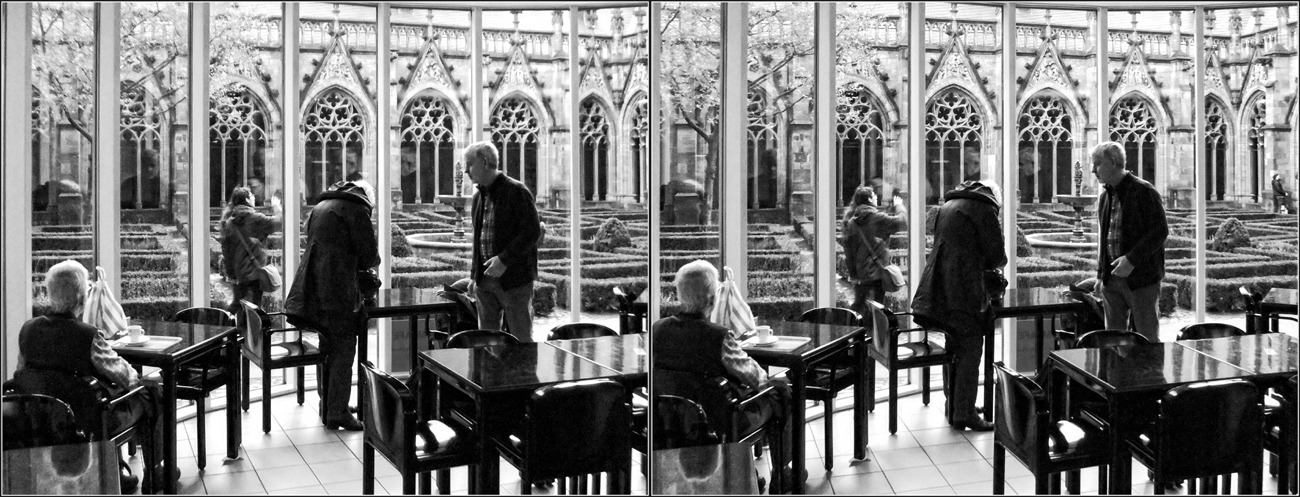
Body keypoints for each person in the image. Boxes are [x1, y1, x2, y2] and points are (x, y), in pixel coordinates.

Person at [13, 260, 176, 492]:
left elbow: (22, 374)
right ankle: (155, 473)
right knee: (150, 391)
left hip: (43, 419)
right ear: (82, 299)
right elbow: (124, 376)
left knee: (99, 394)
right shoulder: (87, 336)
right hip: (90, 421)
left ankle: (117, 471)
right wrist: (145, 382)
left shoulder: (28, 330)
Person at [652, 260, 801, 492]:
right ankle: (783, 473)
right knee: (781, 391)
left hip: (673, 419)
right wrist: (776, 380)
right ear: (712, 299)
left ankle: (747, 472)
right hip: (721, 421)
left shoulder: (658, 330)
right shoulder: (718, 337)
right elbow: (755, 377)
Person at [912, 180, 1007, 432]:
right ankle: (964, 414)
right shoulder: (984, 209)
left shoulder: (951, 203)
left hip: (941, 289)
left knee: (953, 346)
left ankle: (954, 404)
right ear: (995, 197)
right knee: (971, 348)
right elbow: (997, 256)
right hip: (965, 290)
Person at [285, 181, 379, 431]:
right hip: (339, 290)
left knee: (328, 346)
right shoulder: (357, 210)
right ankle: (337, 412)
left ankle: (329, 403)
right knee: (344, 349)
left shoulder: (323, 205)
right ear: (368, 198)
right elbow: (369, 255)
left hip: (316, 289)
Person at [1091, 141, 1168, 342]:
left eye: (1097, 163)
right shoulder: (1104, 197)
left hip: (1141, 280)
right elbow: (1105, 239)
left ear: (1114, 163)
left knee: (1147, 340)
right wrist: (1101, 275)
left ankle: (1149, 375)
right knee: (1113, 342)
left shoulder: (1144, 191)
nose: (1093, 170)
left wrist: (1131, 260)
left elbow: (1160, 231)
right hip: (1112, 281)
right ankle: (1117, 375)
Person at [466, 141, 541, 342]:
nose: (466, 170)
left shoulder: (517, 191)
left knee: (522, 340)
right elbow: (478, 239)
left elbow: (532, 232)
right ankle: (492, 374)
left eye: (469, 164)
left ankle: (524, 375)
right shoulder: (478, 198)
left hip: (514, 281)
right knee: (487, 343)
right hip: (485, 283)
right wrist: (475, 276)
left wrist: (504, 260)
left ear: (484, 162)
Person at [842, 185, 908, 314]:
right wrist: (899, 206)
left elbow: (849, 252)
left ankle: (855, 329)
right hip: (877, 272)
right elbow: (902, 221)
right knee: (877, 308)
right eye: (874, 196)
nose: (877, 198)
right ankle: (876, 332)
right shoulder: (876, 218)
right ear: (869, 199)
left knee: (860, 305)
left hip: (861, 273)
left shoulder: (852, 221)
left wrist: (853, 274)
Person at [220, 185, 282, 313]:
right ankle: (248, 331)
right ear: (247, 200)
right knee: (253, 310)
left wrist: (232, 275)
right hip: (254, 273)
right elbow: (279, 222)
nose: (254, 198)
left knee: (239, 306)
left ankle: (227, 326)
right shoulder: (254, 218)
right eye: (252, 196)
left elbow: (227, 252)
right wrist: (276, 207)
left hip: (239, 274)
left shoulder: (230, 222)